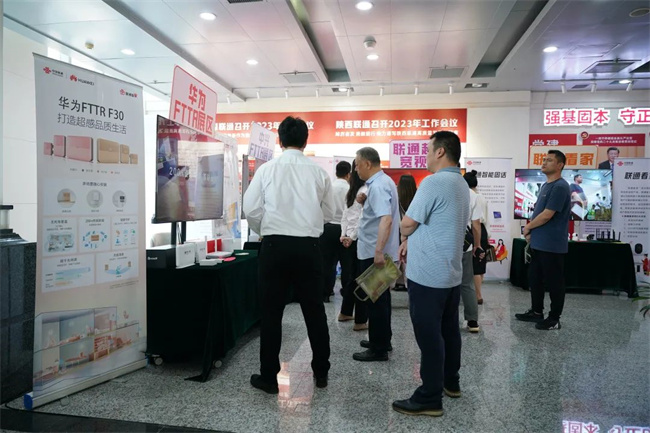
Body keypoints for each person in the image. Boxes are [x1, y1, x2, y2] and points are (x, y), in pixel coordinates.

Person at [243, 116, 335, 393]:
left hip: (274, 247)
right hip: (309, 248)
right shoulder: (319, 172)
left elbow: (251, 208)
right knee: (314, 311)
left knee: (271, 313)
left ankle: (269, 377)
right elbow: (329, 212)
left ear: (280, 141)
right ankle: (321, 371)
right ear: (306, 141)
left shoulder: (267, 169)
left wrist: (264, 230)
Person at [391, 131, 470, 417]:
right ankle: (451, 381)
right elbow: (437, 224)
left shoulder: (433, 182)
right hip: (449, 273)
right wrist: (411, 239)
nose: (425, 155)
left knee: (428, 335)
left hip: (427, 274)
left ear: (440, 152)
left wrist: (407, 234)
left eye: (427, 150)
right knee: (449, 330)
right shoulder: (461, 182)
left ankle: (429, 396)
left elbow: (406, 223)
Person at [352, 147, 400, 362]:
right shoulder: (382, 182)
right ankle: (382, 339)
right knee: (381, 298)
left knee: (376, 301)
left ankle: (378, 348)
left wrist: (379, 251)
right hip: (375, 250)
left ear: (367, 164)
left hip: (375, 253)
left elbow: (386, 220)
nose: (356, 169)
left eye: (357, 165)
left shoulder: (379, 186)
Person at [515, 149, 571, 330]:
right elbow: (540, 213)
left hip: (552, 244)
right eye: (544, 159)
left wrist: (528, 227)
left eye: (549, 160)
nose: (544, 162)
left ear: (560, 165)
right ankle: (536, 312)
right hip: (539, 243)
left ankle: (554, 318)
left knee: (554, 282)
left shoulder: (560, 186)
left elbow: (547, 215)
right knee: (535, 278)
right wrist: (532, 233)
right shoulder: (547, 185)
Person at [338, 160, 369, 331]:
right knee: (362, 279)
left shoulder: (351, 191)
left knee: (352, 277)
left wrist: (344, 235)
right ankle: (361, 320)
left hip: (348, 239)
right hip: (359, 239)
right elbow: (362, 219)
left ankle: (345, 312)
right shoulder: (366, 190)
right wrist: (352, 237)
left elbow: (345, 217)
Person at [321, 161, 351, 302]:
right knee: (347, 263)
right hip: (345, 229)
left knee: (327, 263)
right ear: (348, 174)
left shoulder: (330, 188)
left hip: (328, 227)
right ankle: (347, 292)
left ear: (336, 172)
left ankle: (326, 293)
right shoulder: (351, 189)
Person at [459, 175, 483, 333]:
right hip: (464, 245)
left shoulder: (443, 189)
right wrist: (477, 244)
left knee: (445, 284)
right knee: (467, 283)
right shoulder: (473, 195)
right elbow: (476, 224)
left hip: (444, 246)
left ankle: (445, 319)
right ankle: (472, 321)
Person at [464, 170, 488, 305]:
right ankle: (478, 293)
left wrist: (476, 243)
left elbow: (475, 223)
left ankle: (477, 295)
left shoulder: (470, 196)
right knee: (480, 264)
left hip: (473, 231)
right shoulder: (481, 197)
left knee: (474, 267)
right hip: (482, 231)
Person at [394, 174, 417, 291]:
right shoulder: (417, 201)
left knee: (391, 271)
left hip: (397, 238)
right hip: (413, 239)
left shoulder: (395, 202)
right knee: (411, 272)